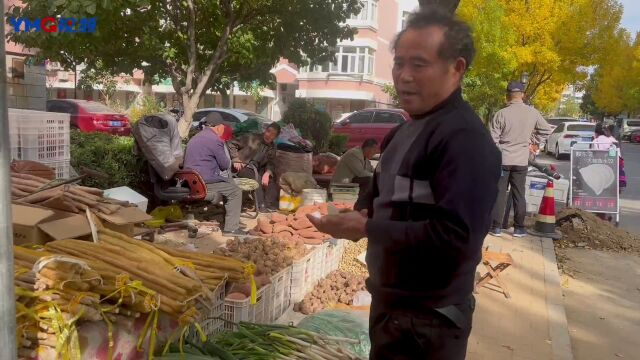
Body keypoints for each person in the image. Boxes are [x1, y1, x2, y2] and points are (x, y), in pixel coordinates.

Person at [307, 8, 501, 360]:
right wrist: (356, 215)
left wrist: (367, 226)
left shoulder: (464, 139)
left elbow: (456, 237)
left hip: (429, 320)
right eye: (399, 63)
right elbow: (384, 195)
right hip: (391, 305)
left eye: (419, 64)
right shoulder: (404, 130)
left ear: (456, 68)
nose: (403, 76)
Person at [489, 81, 552, 237]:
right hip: (522, 161)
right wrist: (534, 141)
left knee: (499, 193)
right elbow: (546, 130)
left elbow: (492, 140)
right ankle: (519, 228)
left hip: (503, 160)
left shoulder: (501, 114)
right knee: (519, 194)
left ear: (507, 96)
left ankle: (496, 227)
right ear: (522, 95)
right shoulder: (533, 113)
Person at [183, 113, 245, 236]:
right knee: (235, 191)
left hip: (190, 182)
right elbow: (224, 165)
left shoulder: (194, 138)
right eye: (223, 127)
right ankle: (231, 229)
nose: (223, 130)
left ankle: (226, 218)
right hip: (203, 183)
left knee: (229, 184)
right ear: (218, 127)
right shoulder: (215, 140)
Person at [228, 123, 281, 213]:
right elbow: (231, 143)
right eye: (268, 132)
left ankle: (269, 203)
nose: (269, 135)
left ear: (275, 137)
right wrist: (236, 159)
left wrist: (267, 173)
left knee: (271, 179)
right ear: (265, 130)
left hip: (257, 169)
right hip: (243, 167)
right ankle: (260, 205)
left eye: (273, 134)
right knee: (256, 178)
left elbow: (271, 162)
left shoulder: (272, 147)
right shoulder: (251, 137)